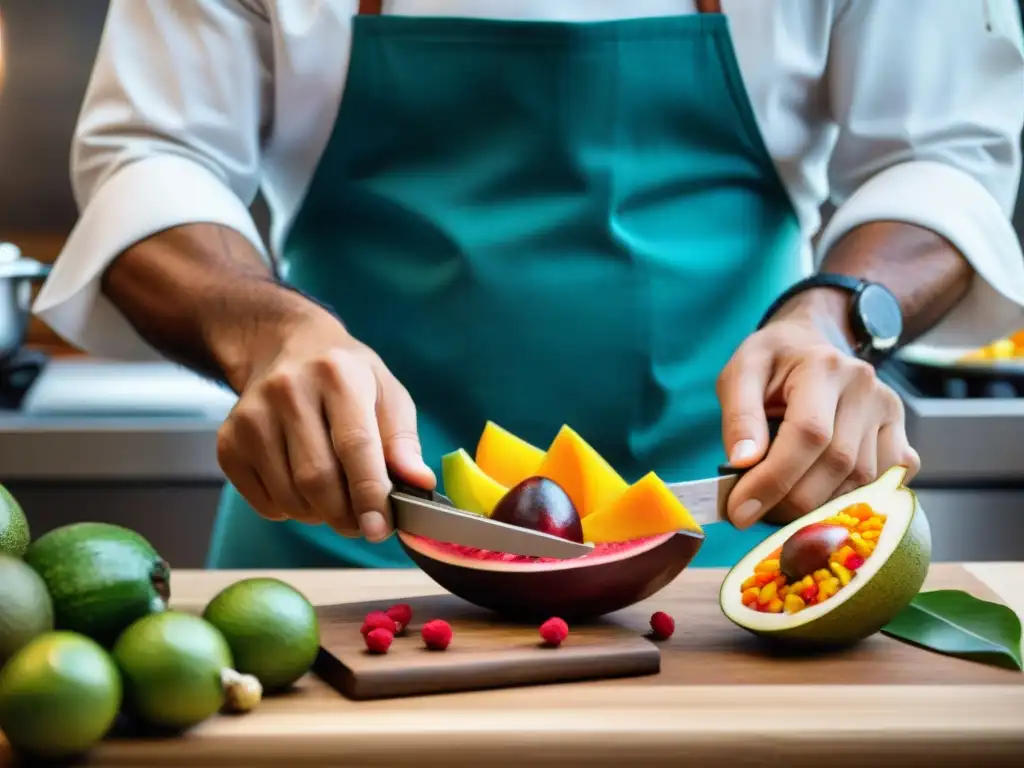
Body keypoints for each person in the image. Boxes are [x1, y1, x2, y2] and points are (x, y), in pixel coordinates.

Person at [35, 0, 1024, 569]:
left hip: (733, 529)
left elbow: (939, 155)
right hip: (346, 523)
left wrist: (834, 319)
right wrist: (270, 337)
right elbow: (149, 156)